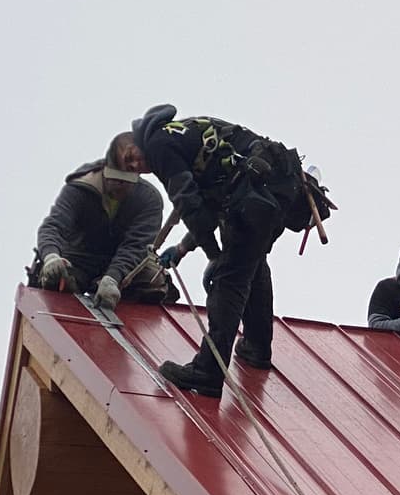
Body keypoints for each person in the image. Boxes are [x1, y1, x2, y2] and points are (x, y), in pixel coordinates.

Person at [130, 105, 332, 397]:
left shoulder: (158, 144)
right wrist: (183, 248)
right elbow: (211, 206)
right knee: (252, 263)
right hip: (277, 191)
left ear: (140, 141)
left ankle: (207, 372)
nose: (136, 165)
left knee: (229, 281)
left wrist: (215, 255)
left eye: (134, 158)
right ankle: (256, 348)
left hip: (256, 197)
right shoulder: (187, 135)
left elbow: (190, 205)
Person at [29, 134, 173, 309]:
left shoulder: (149, 200)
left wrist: (113, 278)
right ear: (104, 171)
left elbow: (136, 246)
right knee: (56, 276)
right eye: (115, 179)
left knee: (153, 280)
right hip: (78, 258)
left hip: (121, 263)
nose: (119, 185)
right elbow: (54, 226)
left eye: (125, 181)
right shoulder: (79, 189)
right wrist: (51, 256)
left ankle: (118, 301)